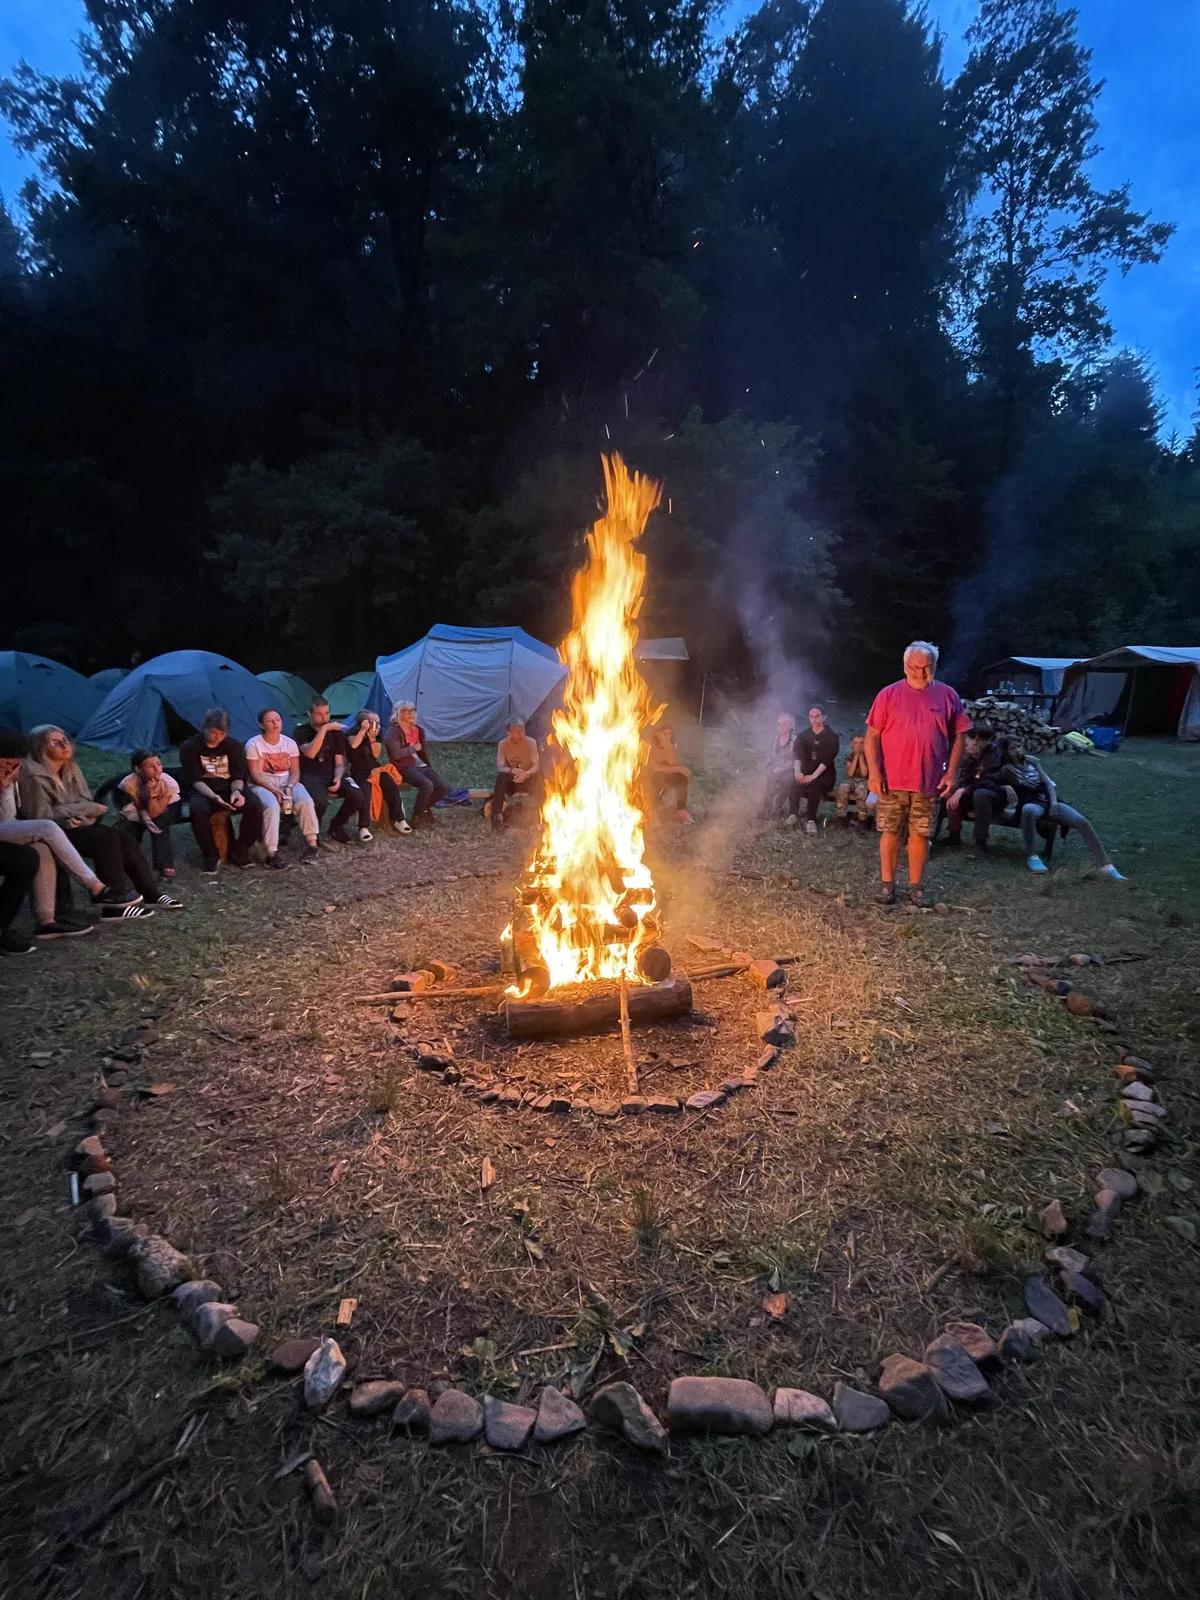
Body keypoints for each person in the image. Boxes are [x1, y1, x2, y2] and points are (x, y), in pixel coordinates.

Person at [19, 726, 171, 915]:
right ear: (40, 747)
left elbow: (86, 802)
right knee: (105, 839)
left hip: (77, 824)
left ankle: (150, 894)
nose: (65, 745)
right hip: (51, 831)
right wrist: (78, 812)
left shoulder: (70, 767)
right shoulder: (32, 775)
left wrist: (81, 816)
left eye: (65, 740)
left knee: (123, 837)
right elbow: (40, 814)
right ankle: (114, 905)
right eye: (56, 742)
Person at [865, 641, 971, 907]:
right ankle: (887, 885)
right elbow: (872, 737)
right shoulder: (888, 695)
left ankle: (915, 887)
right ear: (905, 666)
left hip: (929, 780)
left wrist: (951, 773)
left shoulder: (947, 696)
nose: (920, 673)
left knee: (920, 834)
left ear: (934, 666)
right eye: (914, 667)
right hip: (892, 780)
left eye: (926, 667)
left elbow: (959, 736)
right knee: (890, 831)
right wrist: (874, 773)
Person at [0, 727, 104, 941]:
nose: (11, 770)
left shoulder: (13, 776)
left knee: (41, 848)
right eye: (6, 765)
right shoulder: (25, 774)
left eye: (15, 765)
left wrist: (6, 786)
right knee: (46, 828)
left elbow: (7, 816)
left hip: (6, 826)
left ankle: (47, 921)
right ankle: (95, 886)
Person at [1002, 739, 1125, 878]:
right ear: (1006, 752)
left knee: (1082, 822)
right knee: (1028, 810)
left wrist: (1054, 803)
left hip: (1047, 800)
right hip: (1031, 802)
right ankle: (1032, 856)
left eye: (1019, 746)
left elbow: (1047, 783)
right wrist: (1006, 787)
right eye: (1012, 748)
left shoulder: (1032, 761)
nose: (1018, 750)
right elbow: (995, 782)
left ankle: (1106, 865)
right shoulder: (1007, 769)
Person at [179, 708, 264, 875]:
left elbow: (238, 775)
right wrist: (213, 797)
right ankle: (211, 855)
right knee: (197, 810)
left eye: (222, 733)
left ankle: (240, 849)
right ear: (205, 728)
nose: (217, 737)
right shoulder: (190, 747)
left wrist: (237, 792)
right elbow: (195, 779)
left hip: (229, 788)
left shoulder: (234, 746)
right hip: (204, 790)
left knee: (255, 805)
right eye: (213, 732)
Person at [245, 708, 319, 867]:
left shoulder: (289, 743)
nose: (275, 723)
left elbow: (295, 771)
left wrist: (290, 786)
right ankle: (272, 852)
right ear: (262, 725)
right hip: (262, 784)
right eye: (270, 721)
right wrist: (274, 790)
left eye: (278, 720)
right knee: (271, 805)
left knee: (305, 800)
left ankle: (312, 845)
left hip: (286, 781)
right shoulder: (254, 744)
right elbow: (255, 774)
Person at [293, 698, 367, 843]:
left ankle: (336, 826)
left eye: (327, 713)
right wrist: (324, 730)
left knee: (357, 795)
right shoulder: (301, 731)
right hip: (311, 774)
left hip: (331, 772)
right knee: (320, 801)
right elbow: (310, 753)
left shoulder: (336, 734)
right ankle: (314, 833)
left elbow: (339, 762)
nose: (324, 717)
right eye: (319, 714)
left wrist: (338, 777)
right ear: (309, 714)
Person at [116, 750, 183, 878]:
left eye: (159, 764)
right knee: (127, 826)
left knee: (158, 822)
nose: (157, 769)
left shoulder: (168, 783)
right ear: (138, 769)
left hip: (170, 806)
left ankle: (164, 865)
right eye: (150, 766)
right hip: (142, 808)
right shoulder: (129, 783)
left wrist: (152, 795)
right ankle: (129, 862)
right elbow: (139, 804)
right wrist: (145, 818)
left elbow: (155, 812)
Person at [383, 702, 449, 828]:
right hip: (403, 766)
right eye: (406, 711)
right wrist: (413, 748)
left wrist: (424, 761)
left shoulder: (418, 730)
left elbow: (422, 751)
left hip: (421, 765)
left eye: (412, 710)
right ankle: (417, 815)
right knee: (427, 785)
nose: (410, 713)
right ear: (398, 713)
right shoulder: (392, 732)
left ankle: (424, 809)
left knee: (443, 787)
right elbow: (396, 755)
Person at [346, 710, 410, 834]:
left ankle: (399, 819)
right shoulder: (353, 732)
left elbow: (375, 754)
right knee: (365, 790)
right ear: (364, 722)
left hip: (374, 768)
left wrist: (372, 739)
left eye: (378, 722)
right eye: (374, 722)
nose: (377, 725)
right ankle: (363, 826)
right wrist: (363, 731)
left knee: (390, 784)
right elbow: (354, 744)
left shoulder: (376, 734)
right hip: (357, 770)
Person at [944, 723, 1004, 856]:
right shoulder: (967, 752)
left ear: (976, 739)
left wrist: (964, 790)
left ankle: (980, 841)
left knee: (980, 794)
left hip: (992, 794)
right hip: (971, 791)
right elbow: (961, 775)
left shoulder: (994, 753)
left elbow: (989, 782)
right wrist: (958, 787)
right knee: (951, 792)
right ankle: (953, 835)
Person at [793, 705, 840, 835]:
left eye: (817, 716)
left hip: (825, 776)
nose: (814, 719)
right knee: (792, 779)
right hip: (807, 772)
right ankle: (793, 814)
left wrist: (813, 776)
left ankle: (811, 820)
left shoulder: (832, 737)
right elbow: (797, 756)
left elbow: (827, 760)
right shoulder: (803, 736)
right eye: (811, 716)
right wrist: (797, 771)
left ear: (824, 717)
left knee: (815, 783)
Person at [490, 718, 542, 830]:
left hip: (527, 779)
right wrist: (512, 770)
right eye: (517, 732)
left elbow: (536, 766)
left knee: (540, 778)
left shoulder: (531, 742)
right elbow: (500, 766)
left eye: (522, 731)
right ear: (509, 733)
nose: (521, 735)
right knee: (501, 778)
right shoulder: (503, 744)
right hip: (512, 781)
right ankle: (497, 817)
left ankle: (540, 816)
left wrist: (527, 773)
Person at [646, 721, 693, 823]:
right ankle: (652, 809)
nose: (668, 736)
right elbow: (657, 768)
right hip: (649, 776)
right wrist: (680, 769)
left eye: (670, 733)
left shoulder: (669, 746)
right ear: (657, 735)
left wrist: (669, 747)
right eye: (665, 734)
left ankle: (680, 810)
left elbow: (672, 765)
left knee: (681, 779)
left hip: (663, 777)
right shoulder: (651, 747)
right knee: (659, 778)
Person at [760, 714, 798, 821]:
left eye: (784, 723)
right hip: (776, 769)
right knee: (770, 777)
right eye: (779, 724)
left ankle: (777, 806)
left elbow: (797, 759)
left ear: (791, 725)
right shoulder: (775, 740)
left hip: (791, 770)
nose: (781, 726)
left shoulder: (795, 741)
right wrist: (765, 766)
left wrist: (783, 768)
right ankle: (766, 809)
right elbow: (771, 757)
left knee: (788, 780)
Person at [836, 733, 873, 825]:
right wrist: (856, 756)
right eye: (856, 743)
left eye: (861, 743)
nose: (858, 745)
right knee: (843, 787)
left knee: (861, 789)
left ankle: (862, 817)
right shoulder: (849, 755)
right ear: (852, 744)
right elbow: (850, 773)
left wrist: (861, 756)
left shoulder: (869, 755)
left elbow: (864, 773)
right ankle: (841, 816)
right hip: (852, 779)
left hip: (865, 780)